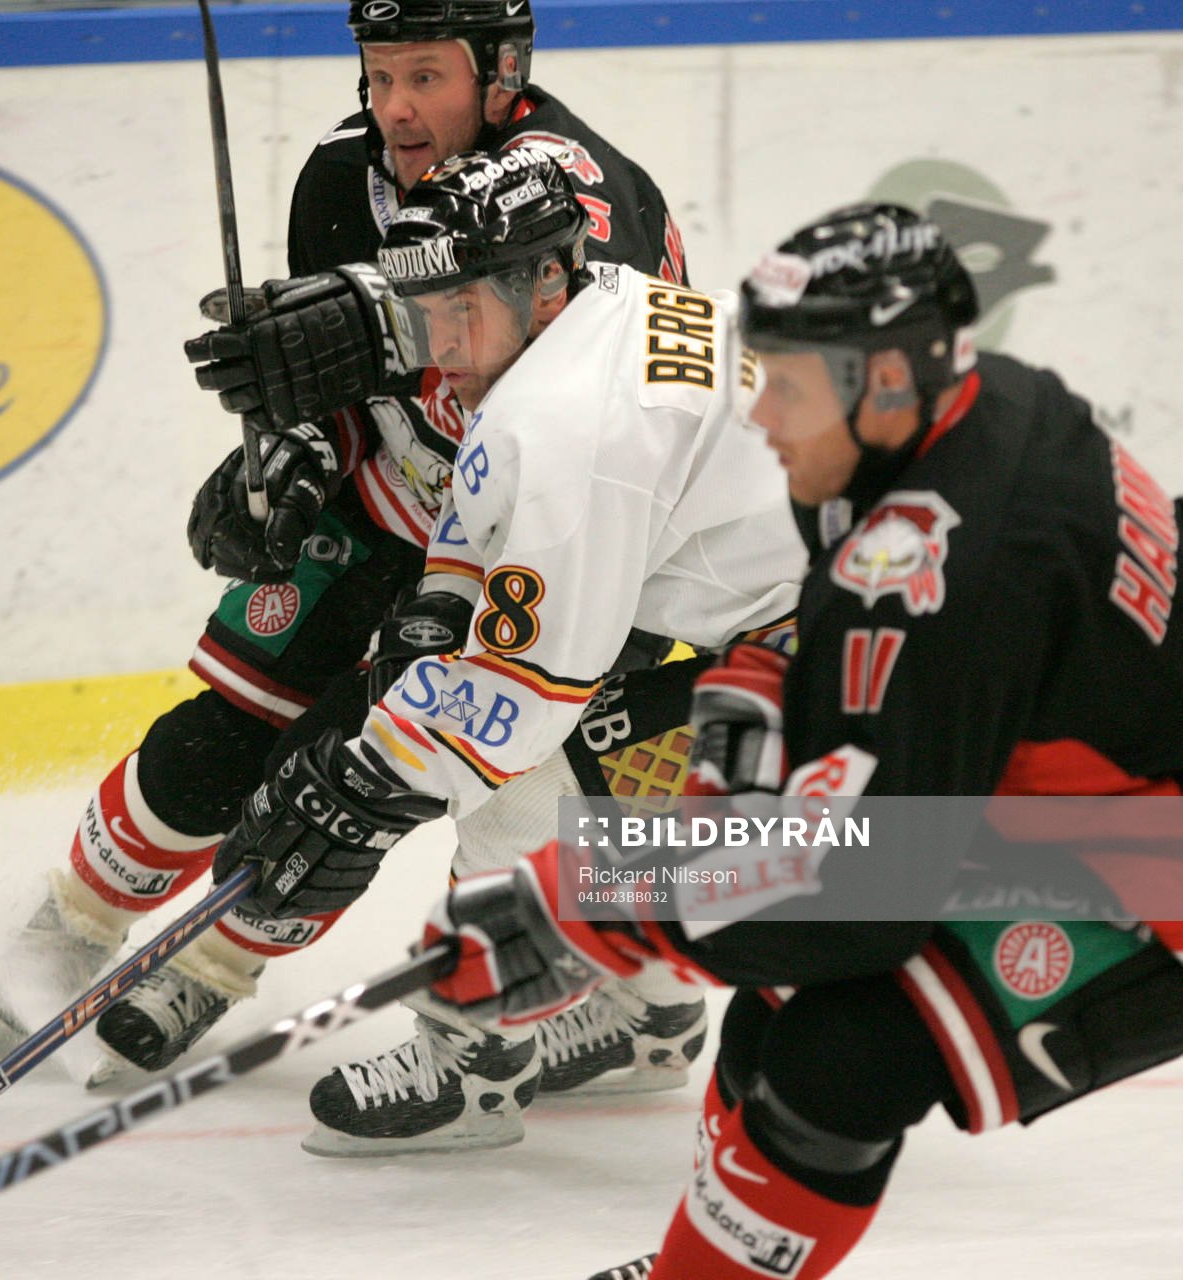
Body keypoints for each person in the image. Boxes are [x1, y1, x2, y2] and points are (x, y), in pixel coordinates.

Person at [386, 202, 1183, 1276]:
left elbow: (861, 901)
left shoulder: (952, 566)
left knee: (844, 1054)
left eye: (790, 384)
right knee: (769, 1005)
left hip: (1145, 864)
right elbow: (837, 655)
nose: (760, 415)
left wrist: (591, 902)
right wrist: (749, 706)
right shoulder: (955, 418)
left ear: (885, 379)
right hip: (1053, 777)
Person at [0, 0, 699, 1106]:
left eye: (425, 77)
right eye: (378, 76)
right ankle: (62, 930)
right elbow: (355, 382)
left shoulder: (569, 182)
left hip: (551, 532)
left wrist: (369, 317)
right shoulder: (337, 177)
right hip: (403, 489)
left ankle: (233, 974)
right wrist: (298, 450)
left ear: (500, 74)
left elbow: (573, 348)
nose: (395, 108)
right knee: (232, 726)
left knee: (395, 766)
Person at [198, 147, 806, 1154]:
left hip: (880, 683)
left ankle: (469, 1060)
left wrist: (360, 781)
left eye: (461, 307)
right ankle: (644, 1015)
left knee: (530, 777)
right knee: (581, 765)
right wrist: (432, 619)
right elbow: (490, 545)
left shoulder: (567, 424)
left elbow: (523, 695)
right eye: (425, 309)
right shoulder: (600, 306)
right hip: (816, 628)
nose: (439, 344)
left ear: (545, 280)